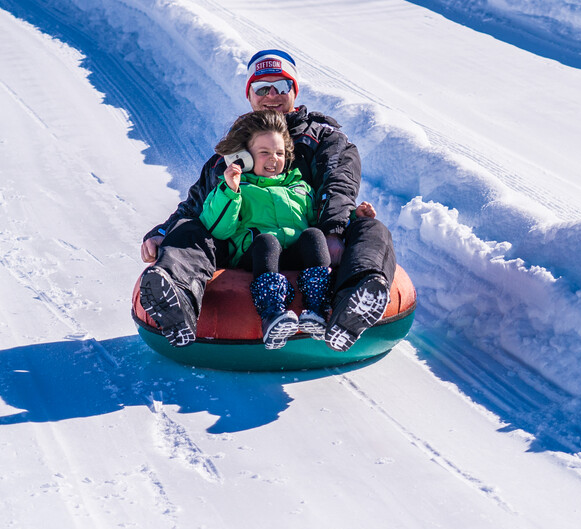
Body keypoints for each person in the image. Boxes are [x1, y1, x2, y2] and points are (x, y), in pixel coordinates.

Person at [139, 49, 396, 352]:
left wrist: (338, 230)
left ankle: (353, 304)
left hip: (315, 245)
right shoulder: (231, 154)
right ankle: (176, 297)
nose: (272, 95)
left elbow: (338, 186)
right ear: (250, 95)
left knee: (372, 230)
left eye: (281, 86)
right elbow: (195, 205)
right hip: (250, 248)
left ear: (294, 91)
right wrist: (162, 233)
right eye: (262, 88)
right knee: (190, 230)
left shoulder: (324, 138)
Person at [202, 110, 365, 349]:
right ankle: (272, 313)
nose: (273, 159)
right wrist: (230, 191)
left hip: (293, 255)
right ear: (244, 157)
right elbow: (218, 229)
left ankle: (318, 308)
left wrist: (353, 217)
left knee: (313, 235)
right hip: (256, 256)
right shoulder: (239, 188)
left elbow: (318, 217)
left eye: (279, 153)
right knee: (267, 241)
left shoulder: (299, 187)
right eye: (264, 152)